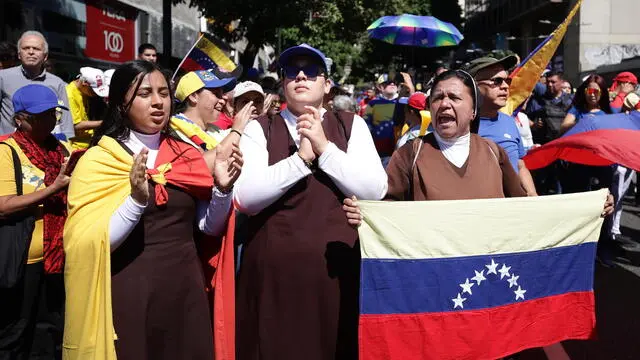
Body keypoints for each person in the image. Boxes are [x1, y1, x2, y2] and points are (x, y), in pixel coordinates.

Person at [342, 70, 615, 359]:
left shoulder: (493, 153)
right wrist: (365, 217)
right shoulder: (410, 155)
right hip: (435, 296)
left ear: (472, 111)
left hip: (488, 293)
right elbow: (385, 212)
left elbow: (526, 212)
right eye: (438, 98)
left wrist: (588, 209)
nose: (444, 104)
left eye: (454, 97)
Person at [62, 60, 243, 360]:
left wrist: (222, 190)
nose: (158, 102)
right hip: (131, 289)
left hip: (185, 288)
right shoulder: (98, 161)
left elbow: (207, 228)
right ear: (122, 102)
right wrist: (135, 200)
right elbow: (91, 242)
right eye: (145, 93)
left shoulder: (186, 154)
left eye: (164, 92)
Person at [234, 43, 387, 360]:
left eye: (312, 70)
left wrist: (325, 149)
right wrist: (301, 161)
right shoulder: (261, 128)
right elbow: (245, 198)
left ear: (327, 84)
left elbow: (375, 189)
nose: (301, 75)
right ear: (283, 82)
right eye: (292, 70)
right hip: (273, 280)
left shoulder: (349, 125)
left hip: (336, 275)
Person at [0, 84, 71, 359]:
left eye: (52, 113)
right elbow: (4, 207)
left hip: (55, 261)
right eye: (40, 115)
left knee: (49, 333)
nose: (49, 120)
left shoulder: (60, 150)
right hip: (21, 263)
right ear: (20, 119)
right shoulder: (8, 151)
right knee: (15, 334)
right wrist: (53, 189)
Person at [463, 56, 537, 196]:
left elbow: (520, 165)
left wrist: (533, 197)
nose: (505, 86)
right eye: (496, 81)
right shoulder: (460, 126)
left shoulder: (509, 121)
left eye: (507, 80)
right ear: (473, 86)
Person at [0, 31, 74, 141]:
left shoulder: (57, 83)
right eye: (26, 48)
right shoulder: (3, 78)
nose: (31, 52)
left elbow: (66, 123)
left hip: (45, 151)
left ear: (45, 56)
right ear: (19, 54)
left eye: (36, 49)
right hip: (8, 149)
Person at [171, 70, 254, 150]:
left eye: (222, 94)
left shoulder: (214, 130)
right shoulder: (176, 131)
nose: (222, 100)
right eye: (216, 94)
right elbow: (203, 162)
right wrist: (237, 130)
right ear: (193, 96)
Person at [66, 67, 109, 149]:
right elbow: (75, 125)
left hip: (85, 144)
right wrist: (104, 122)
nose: (95, 94)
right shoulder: (69, 95)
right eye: (93, 90)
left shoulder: (83, 92)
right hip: (74, 146)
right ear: (84, 83)